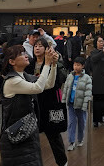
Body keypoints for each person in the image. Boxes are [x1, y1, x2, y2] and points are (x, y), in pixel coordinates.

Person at [0, 44, 58, 166]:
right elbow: (38, 88)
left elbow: (49, 84)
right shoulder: (12, 81)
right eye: (21, 54)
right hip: (15, 135)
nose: (26, 55)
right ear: (12, 61)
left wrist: (53, 65)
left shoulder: (25, 76)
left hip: (26, 131)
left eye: (25, 53)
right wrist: (47, 64)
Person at [27, 36, 68, 166]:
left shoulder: (52, 62)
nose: (37, 48)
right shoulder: (29, 64)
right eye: (35, 46)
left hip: (50, 102)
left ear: (46, 49)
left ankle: (62, 162)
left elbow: (59, 81)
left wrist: (55, 64)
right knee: (33, 135)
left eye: (40, 46)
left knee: (53, 134)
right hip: (35, 102)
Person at [62, 57, 92, 151]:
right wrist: (64, 100)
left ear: (83, 66)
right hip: (71, 103)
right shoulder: (70, 76)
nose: (76, 67)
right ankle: (71, 141)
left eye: (78, 65)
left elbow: (88, 92)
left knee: (81, 122)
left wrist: (85, 105)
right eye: (75, 65)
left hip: (81, 104)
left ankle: (80, 139)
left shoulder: (87, 78)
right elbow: (66, 89)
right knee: (71, 122)